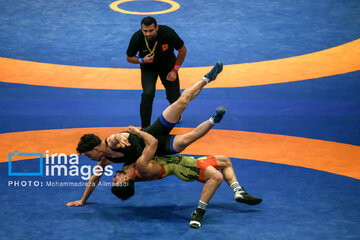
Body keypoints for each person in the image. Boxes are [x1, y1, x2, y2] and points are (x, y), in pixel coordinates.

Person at [67, 62, 224, 207]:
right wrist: (82, 200)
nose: (90, 158)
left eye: (88, 155)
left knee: (181, 102)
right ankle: (214, 119)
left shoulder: (112, 142)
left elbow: (116, 137)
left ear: (96, 148)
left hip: (152, 133)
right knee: (188, 139)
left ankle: (207, 78)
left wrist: (122, 135)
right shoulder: (105, 160)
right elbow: (94, 179)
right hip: (157, 147)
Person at [111, 126, 262, 229]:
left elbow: (111, 154)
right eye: (116, 182)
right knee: (215, 177)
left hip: (183, 162)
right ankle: (198, 213)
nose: (113, 179)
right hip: (182, 167)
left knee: (224, 161)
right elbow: (153, 143)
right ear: (125, 181)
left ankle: (238, 191)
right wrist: (136, 132)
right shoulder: (141, 168)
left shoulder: (126, 167)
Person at [126, 16, 187, 128]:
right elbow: (129, 57)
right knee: (147, 94)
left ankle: (177, 116)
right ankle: (145, 128)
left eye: (151, 30)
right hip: (148, 67)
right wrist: (142, 60)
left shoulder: (168, 33)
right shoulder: (137, 37)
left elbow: (183, 50)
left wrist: (175, 70)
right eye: (145, 31)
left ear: (157, 28)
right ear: (141, 29)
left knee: (174, 97)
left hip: (168, 67)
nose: (148, 34)